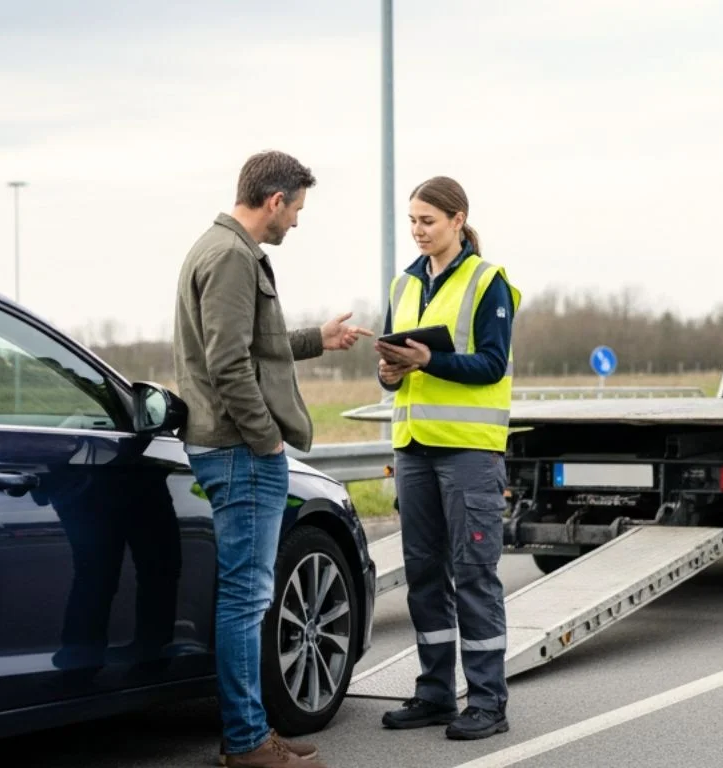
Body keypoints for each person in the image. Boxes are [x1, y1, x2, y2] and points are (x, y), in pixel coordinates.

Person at [173, 150, 369, 768]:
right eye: (297, 210)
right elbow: (228, 363)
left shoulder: (217, 248)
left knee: (245, 594)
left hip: (231, 446)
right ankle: (248, 742)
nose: (297, 224)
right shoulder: (232, 257)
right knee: (246, 597)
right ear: (275, 201)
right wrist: (267, 439)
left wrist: (320, 338)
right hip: (240, 450)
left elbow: (255, 344)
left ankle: (251, 733)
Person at [374, 176, 521, 741]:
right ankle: (435, 694)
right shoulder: (403, 285)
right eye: (412, 220)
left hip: (468, 454)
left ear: (458, 221)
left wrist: (428, 359)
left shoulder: (489, 282)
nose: (417, 230)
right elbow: (395, 364)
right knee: (423, 576)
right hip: (414, 449)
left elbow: (491, 365)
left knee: (473, 574)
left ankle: (487, 702)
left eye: (427, 221)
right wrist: (389, 370)